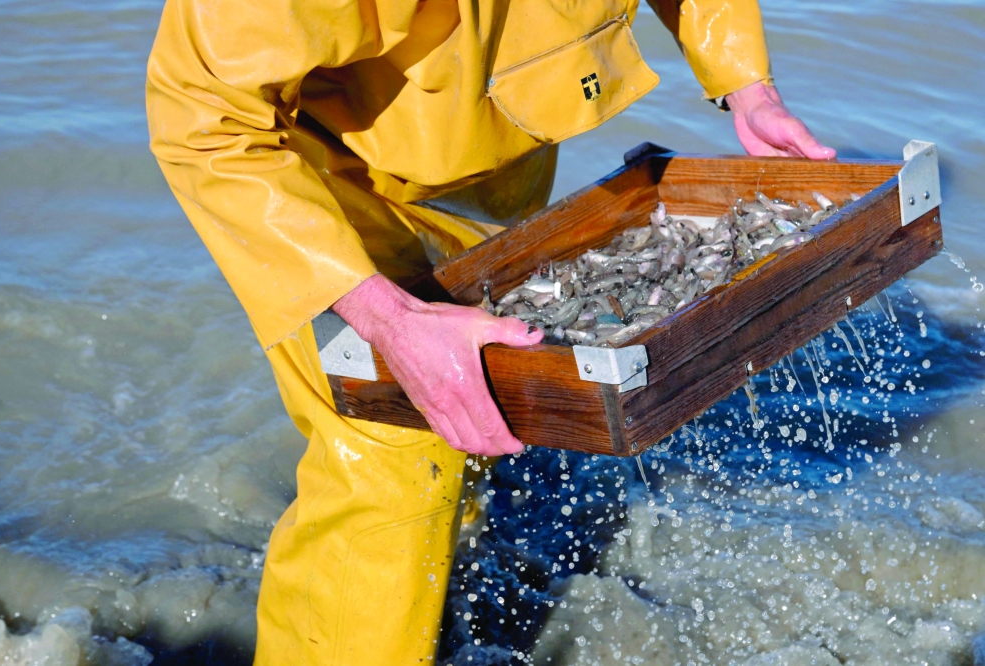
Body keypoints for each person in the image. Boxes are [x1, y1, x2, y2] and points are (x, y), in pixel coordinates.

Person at [146, 0, 834, 662]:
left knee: (484, 407)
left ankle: (449, 589)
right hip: (322, 185)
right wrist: (391, 318)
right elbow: (199, 117)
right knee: (397, 454)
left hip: (493, 163)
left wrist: (748, 88)